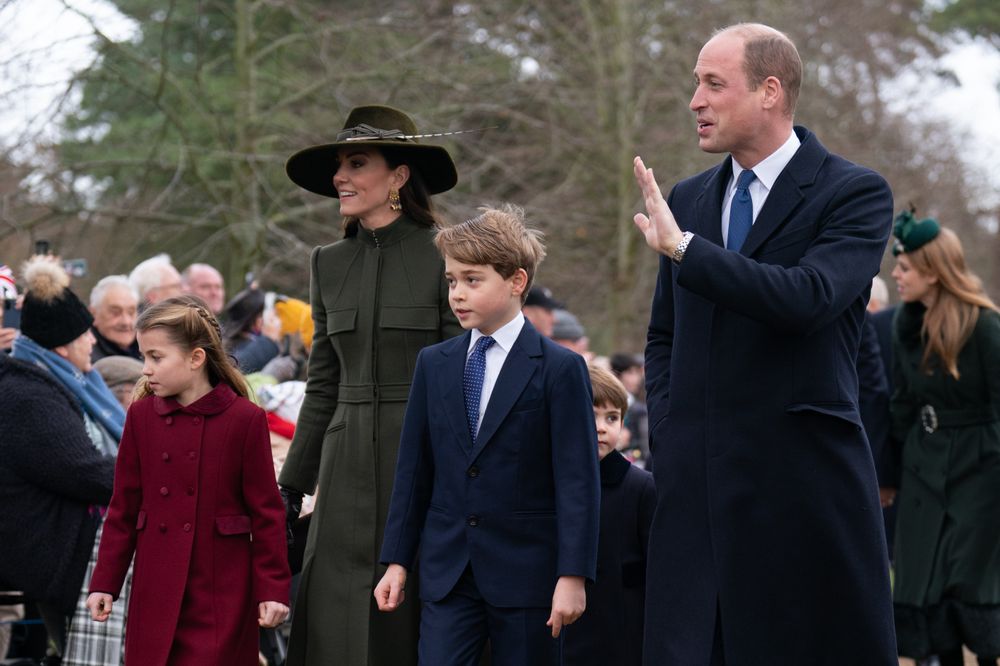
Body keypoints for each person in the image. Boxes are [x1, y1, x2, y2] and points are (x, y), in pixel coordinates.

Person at [631, 23, 896, 664]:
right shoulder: (687, 200)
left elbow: (806, 299)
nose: (695, 99)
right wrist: (669, 429)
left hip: (802, 499)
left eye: (713, 83)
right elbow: (664, 336)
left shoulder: (853, 192)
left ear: (770, 91)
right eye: (696, 82)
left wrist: (686, 250)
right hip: (696, 504)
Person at [277, 104, 464, 666]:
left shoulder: (446, 253)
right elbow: (323, 381)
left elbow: (463, 374)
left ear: (399, 176)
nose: (341, 177)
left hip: (423, 459)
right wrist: (292, 485)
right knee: (334, 612)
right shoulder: (326, 262)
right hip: (342, 467)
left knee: (409, 613)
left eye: (357, 163)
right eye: (340, 164)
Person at [374, 205, 599, 666]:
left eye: (472, 280)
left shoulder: (561, 369)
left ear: (516, 281)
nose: (457, 293)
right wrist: (397, 560)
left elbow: (577, 480)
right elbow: (414, 470)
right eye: (452, 280)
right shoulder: (433, 364)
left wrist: (572, 575)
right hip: (448, 572)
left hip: (528, 576)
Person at [85, 295, 290, 665]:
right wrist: (104, 582)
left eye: (156, 357)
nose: (145, 369)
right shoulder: (141, 417)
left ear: (196, 358)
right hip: (155, 587)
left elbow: (267, 513)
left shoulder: (245, 419)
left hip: (221, 591)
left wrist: (273, 589)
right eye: (143, 356)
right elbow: (123, 509)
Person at [887, 212, 1000, 666]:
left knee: (971, 584)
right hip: (923, 467)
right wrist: (889, 472)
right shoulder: (905, 326)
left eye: (905, 268)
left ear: (933, 272)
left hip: (982, 469)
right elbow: (902, 402)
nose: (895, 275)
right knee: (924, 585)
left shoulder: (986, 327)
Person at [3, 256, 121, 657]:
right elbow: (84, 472)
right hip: (46, 546)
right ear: (61, 343)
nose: (92, 340)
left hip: (54, 535)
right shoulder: (30, 396)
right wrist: (158, 475)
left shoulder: (49, 380)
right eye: (85, 333)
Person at [562, 364, 655, 666]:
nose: (601, 427)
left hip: (623, 634)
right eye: (589, 417)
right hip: (562, 632)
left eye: (611, 417)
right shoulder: (547, 485)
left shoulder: (641, 488)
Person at [221, 287, 282, 374]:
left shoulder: (254, 341)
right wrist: (269, 340)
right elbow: (235, 368)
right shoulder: (236, 346)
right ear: (257, 319)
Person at [89, 275, 141, 362]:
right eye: (115, 312)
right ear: (93, 314)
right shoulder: (88, 361)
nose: (126, 322)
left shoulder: (149, 349)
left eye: (131, 312)